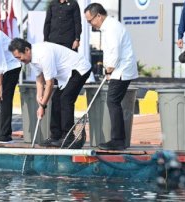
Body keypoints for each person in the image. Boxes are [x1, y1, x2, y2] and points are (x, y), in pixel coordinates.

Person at [8, 38, 91, 148]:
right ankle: (55, 136)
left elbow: (50, 83)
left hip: (80, 68)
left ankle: (68, 136)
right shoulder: (31, 58)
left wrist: (42, 106)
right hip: (66, 74)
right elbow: (39, 78)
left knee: (65, 99)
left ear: (27, 50)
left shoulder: (43, 54)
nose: (20, 60)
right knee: (56, 99)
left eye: (19, 57)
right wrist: (39, 96)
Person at [84, 3, 138, 150]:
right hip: (118, 71)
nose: (90, 24)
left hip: (121, 71)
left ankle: (118, 140)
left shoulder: (112, 27)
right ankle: (119, 139)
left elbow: (114, 50)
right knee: (113, 102)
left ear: (99, 16)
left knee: (113, 102)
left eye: (90, 21)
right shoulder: (108, 27)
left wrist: (109, 70)